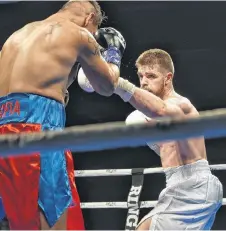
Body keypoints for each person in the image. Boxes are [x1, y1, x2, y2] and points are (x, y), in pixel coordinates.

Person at [0, 0, 126, 230]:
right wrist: (113, 53)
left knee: (13, 218)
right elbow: (107, 85)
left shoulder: (18, 35)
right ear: (89, 19)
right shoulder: (79, 34)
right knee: (52, 215)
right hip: (38, 127)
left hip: (3, 126)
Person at [77, 48, 223, 230]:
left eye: (151, 76)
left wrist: (117, 84)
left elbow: (161, 110)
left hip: (193, 186)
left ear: (168, 78)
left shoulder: (181, 105)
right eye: (141, 76)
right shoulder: (154, 118)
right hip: (181, 185)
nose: (144, 82)